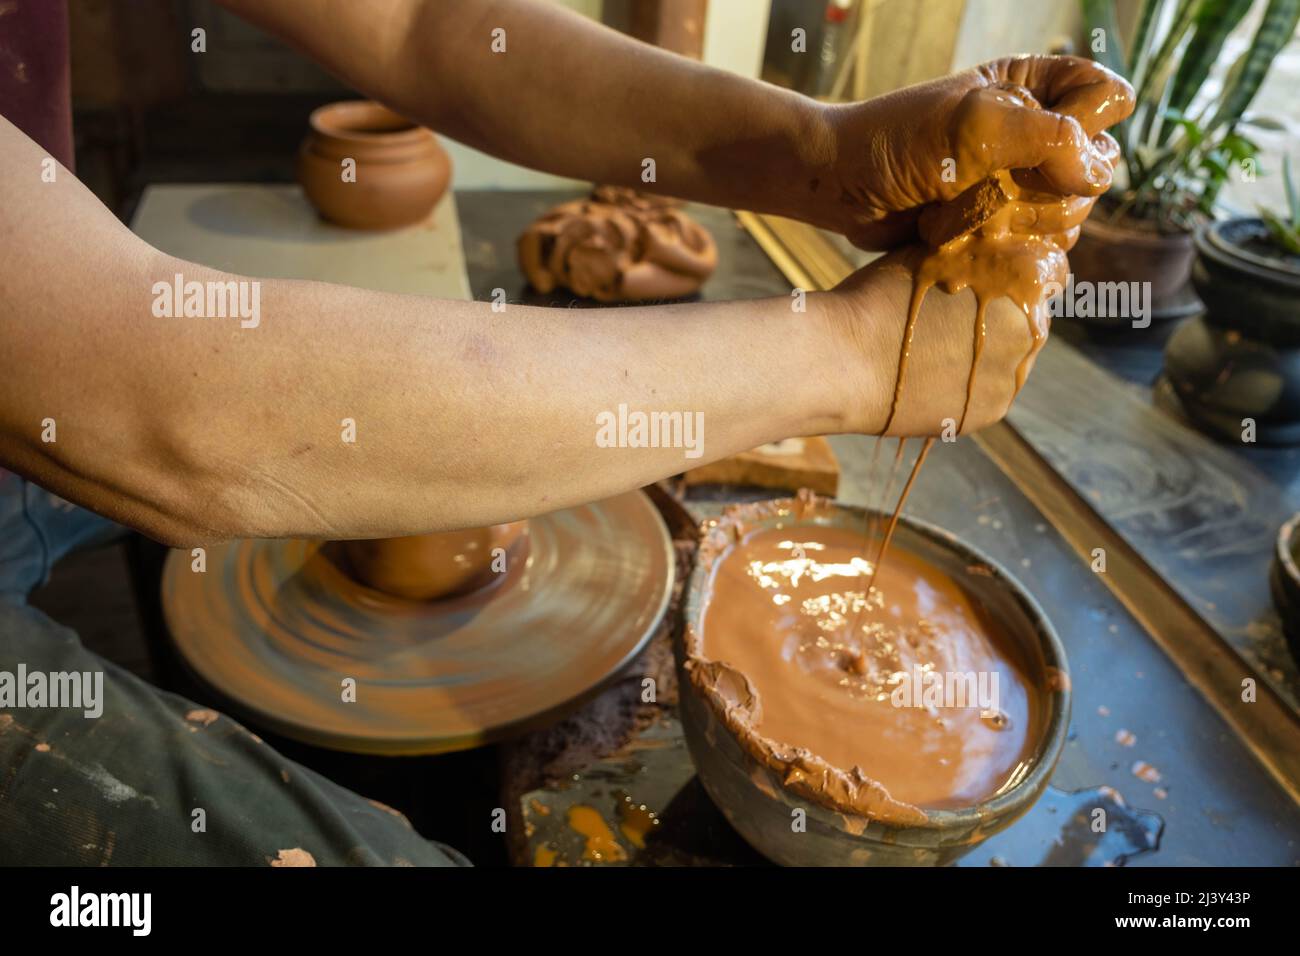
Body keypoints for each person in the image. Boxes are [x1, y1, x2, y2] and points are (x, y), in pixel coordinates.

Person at [0, 0, 1132, 865]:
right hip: (93, 378)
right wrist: (850, 355)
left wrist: (823, 153)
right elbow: (162, 406)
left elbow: (422, 26)